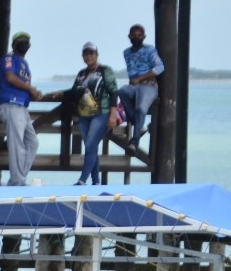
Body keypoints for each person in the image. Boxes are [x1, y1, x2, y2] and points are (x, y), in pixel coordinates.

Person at [0, 31, 44, 186]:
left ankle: (18, 178)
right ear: (14, 44)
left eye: (26, 41)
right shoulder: (9, 58)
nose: (24, 44)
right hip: (11, 104)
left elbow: (25, 86)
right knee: (17, 144)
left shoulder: (26, 65)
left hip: (23, 107)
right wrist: (30, 89)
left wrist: (33, 94)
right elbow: (10, 78)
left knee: (32, 143)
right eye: (21, 41)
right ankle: (18, 181)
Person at [69, 42, 120, 186]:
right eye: (85, 54)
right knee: (92, 147)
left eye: (91, 53)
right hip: (84, 116)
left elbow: (114, 92)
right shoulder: (81, 74)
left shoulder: (105, 70)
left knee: (90, 145)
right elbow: (74, 92)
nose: (88, 56)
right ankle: (96, 182)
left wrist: (112, 115)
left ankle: (82, 180)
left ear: (96, 55)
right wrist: (58, 94)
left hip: (101, 113)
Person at [117, 23, 165, 152]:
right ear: (129, 36)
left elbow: (160, 67)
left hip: (149, 85)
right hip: (133, 86)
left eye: (139, 35)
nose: (136, 37)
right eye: (133, 35)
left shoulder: (150, 50)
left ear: (144, 36)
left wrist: (140, 79)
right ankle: (140, 126)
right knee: (122, 91)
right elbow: (131, 71)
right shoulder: (126, 53)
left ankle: (134, 142)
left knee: (140, 108)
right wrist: (133, 81)